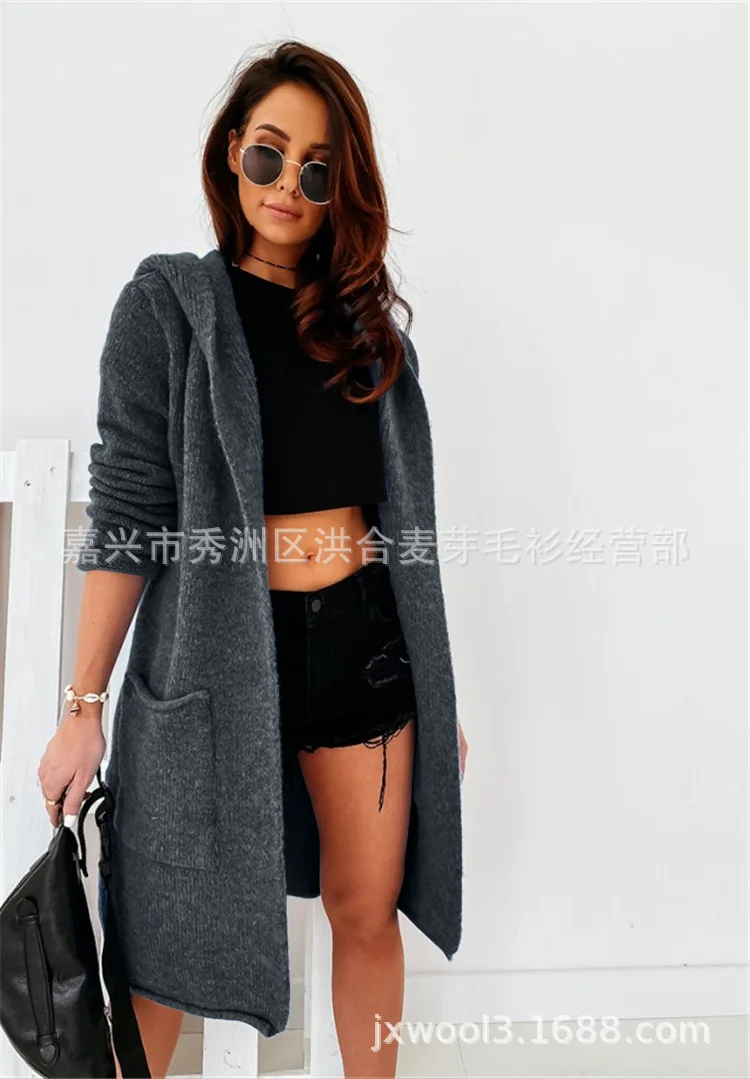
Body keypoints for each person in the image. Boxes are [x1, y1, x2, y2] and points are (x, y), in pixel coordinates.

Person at [37, 40, 468, 1079]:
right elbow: (129, 511)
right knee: (158, 942)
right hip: (209, 663)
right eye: (270, 154)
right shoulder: (169, 306)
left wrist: (434, 682)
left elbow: (404, 526)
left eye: (318, 171)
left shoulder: (366, 328)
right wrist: (84, 704)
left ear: (341, 190)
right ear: (233, 151)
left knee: (365, 913)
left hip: (362, 650)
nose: (288, 186)